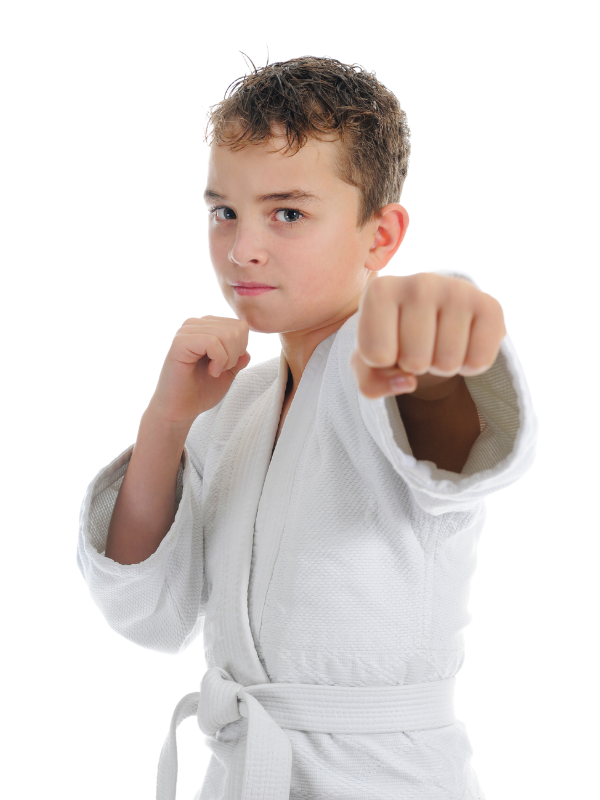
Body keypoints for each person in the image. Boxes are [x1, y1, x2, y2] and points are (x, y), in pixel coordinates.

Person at [77, 55, 538, 800]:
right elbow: (150, 612)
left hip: (385, 781)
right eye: (224, 211)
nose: (242, 248)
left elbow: (449, 448)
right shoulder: (236, 405)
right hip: (239, 772)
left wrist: (432, 334)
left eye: (288, 213)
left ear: (380, 236)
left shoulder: (381, 370)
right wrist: (166, 421)